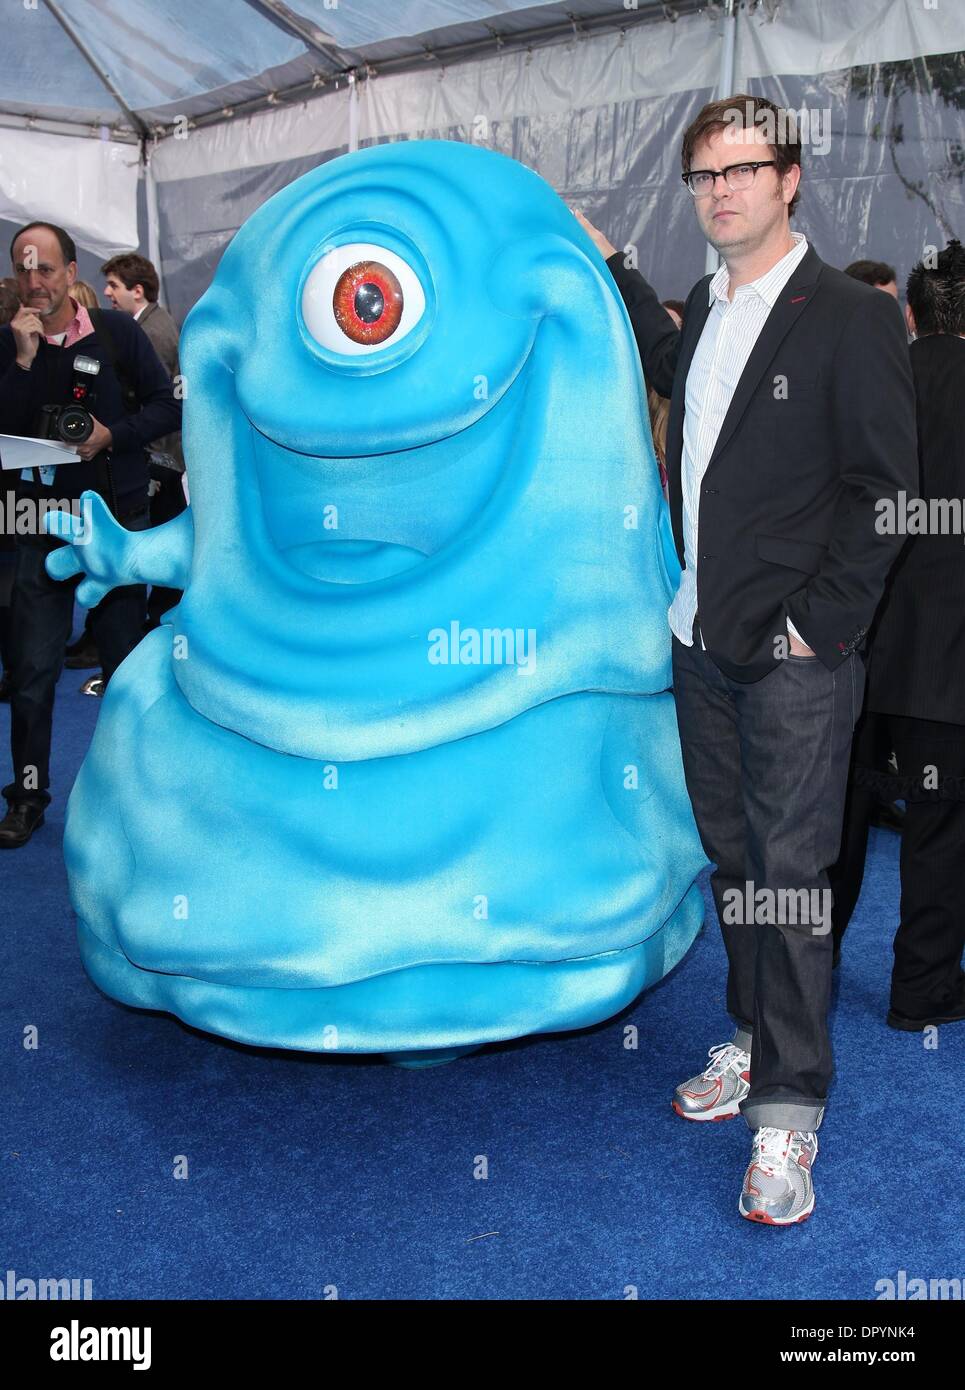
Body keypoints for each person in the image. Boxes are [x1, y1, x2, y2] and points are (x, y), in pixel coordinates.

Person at [577, 92, 917, 1225]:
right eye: (702, 175)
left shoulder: (848, 316)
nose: (718, 191)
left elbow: (885, 494)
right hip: (696, 640)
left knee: (789, 879)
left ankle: (787, 1110)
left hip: (793, 664)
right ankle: (748, 1036)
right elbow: (666, 360)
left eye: (740, 170)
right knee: (734, 862)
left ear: (789, 180)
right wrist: (613, 264)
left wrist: (814, 627)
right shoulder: (711, 306)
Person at [0, 221, 180, 848]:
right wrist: (23, 361)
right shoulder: (9, 344)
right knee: (30, 674)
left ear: (71, 272)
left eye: (45, 268)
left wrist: (111, 436)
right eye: (23, 269)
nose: (34, 281)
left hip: (116, 531)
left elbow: (167, 405)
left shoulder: (117, 333)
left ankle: (134, 794)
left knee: (125, 670)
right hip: (37, 528)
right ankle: (27, 796)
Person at [836, 241, 965, 1029]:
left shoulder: (872, 383)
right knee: (940, 831)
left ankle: (795, 983)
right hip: (948, 660)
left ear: (909, 314)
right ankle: (921, 990)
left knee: (833, 825)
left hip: (852, 643)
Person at [102, 252, 185, 634]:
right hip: (165, 456)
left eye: (113, 286)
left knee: (144, 548)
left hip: (158, 457)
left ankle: (143, 631)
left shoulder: (149, 333)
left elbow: (158, 405)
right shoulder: (156, 323)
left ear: (137, 291)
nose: (107, 293)